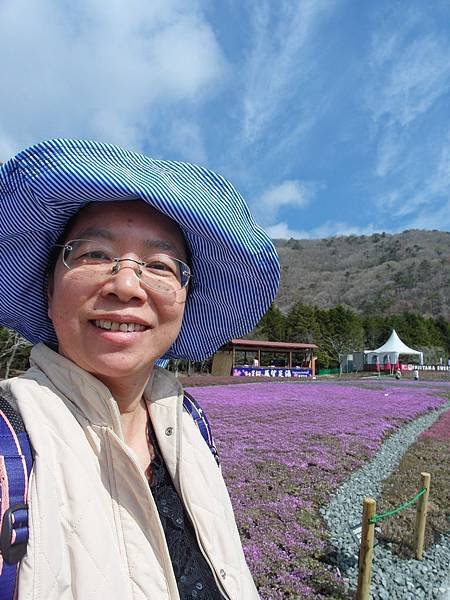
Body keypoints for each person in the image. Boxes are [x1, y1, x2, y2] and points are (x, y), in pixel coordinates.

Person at [0, 138, 280, 599]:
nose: (127, 284)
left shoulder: (188, 423)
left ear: (186, 300)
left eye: (160, 265)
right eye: (92, 254)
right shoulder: (10, 442)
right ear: (48, 288)